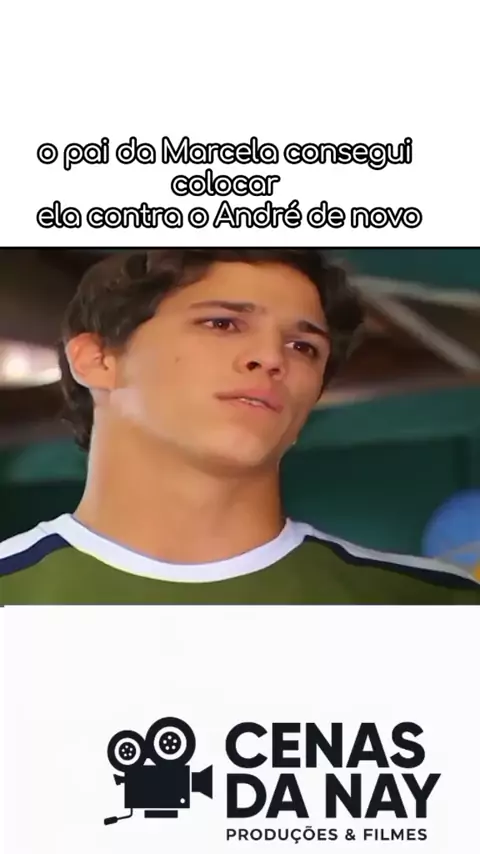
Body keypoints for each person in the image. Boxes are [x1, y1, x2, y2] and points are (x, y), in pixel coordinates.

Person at [1, 248, 479, 604]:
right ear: (98, 359)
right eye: (222, 324)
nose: (271, 358)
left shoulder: (438, 609)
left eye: (304, 347)